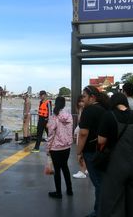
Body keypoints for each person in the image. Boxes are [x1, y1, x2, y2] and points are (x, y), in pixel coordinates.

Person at [76, 85, 108, 217]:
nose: (82, 98)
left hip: (91, 151)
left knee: (98, 183)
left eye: (84, 96)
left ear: (92, 97)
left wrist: (78, 152)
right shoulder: (105, 109)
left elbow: (83, 133)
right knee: (102, 181)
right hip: (105, 150)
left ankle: (99, 212)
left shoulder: (89, 111)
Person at [46, 96, 73, 199]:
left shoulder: (54, 117)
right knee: (65, 167)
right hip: (67, 147)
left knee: (57, 170)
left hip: (56, 148)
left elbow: (51, 134)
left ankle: (58, 192)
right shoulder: (69, 116)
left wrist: (48, 148)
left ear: (55, 103)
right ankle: (69, 190)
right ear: (64, 104)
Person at [73, 95, 88, 179]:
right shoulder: (81, 110)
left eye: (82, 101)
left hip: (81, 133)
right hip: (80, 131)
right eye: (80, 101)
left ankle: (82, 171)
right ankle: (85, 169)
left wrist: (76, 131)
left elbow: (82, 123)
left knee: (80, 152)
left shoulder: (85, 111)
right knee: (83, 153)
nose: (81, 103)